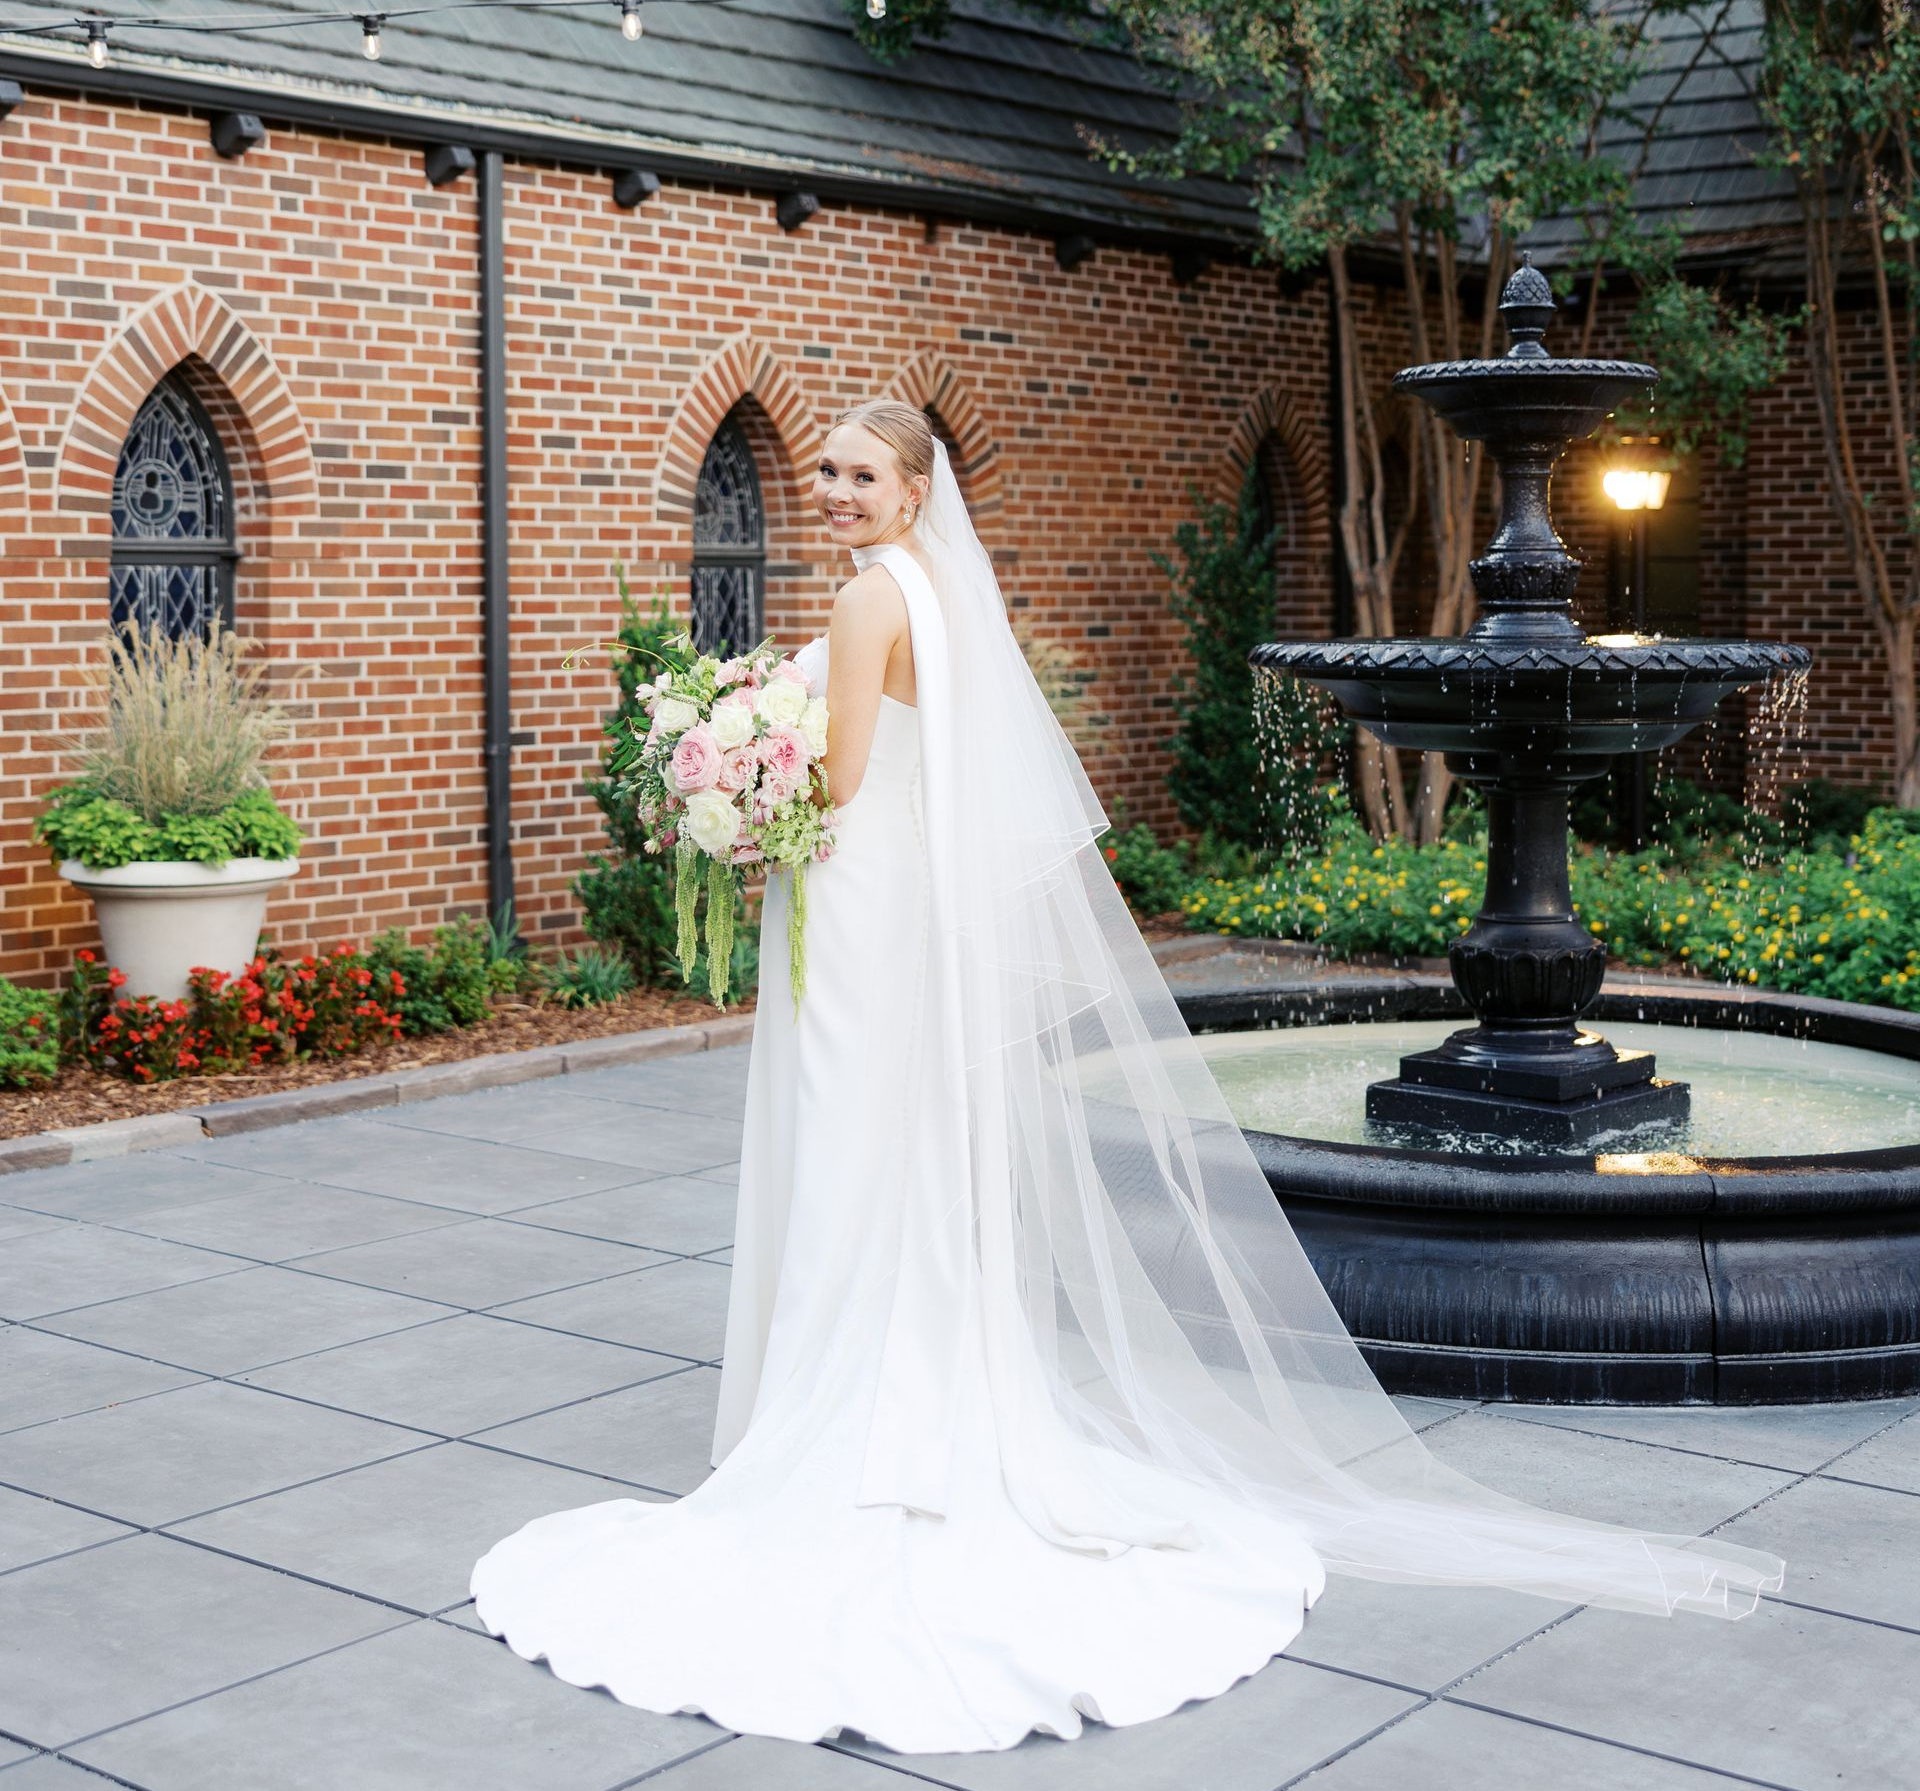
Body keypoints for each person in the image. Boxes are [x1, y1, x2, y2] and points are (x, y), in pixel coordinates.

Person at [471, 400, 1784, 1755]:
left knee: (854, 1143)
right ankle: (909, 1396)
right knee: (899, 1147)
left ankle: (850, 1420)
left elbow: (845, 781)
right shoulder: (934, 590)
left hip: (857, 905)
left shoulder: (873, 600)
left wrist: (746, 802)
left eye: (862, 475)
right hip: (896, 916)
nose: (836, 493)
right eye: (828, 475)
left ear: (915, 493)